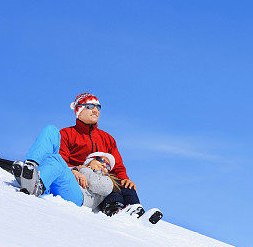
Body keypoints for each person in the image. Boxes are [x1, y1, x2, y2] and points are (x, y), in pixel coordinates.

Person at [12, 92, 152, 220]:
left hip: (80, 189)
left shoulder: (107, 139)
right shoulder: (67, 134)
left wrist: (125, 179)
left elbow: (117, 167)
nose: (95, 110)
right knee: (50, 130)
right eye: (90, 106)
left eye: (98, 107)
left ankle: (35, 181)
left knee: (56, 160)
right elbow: (62, 159)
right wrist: (74, 170)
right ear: (78, 110)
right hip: (69, 174)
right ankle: (30, 168)